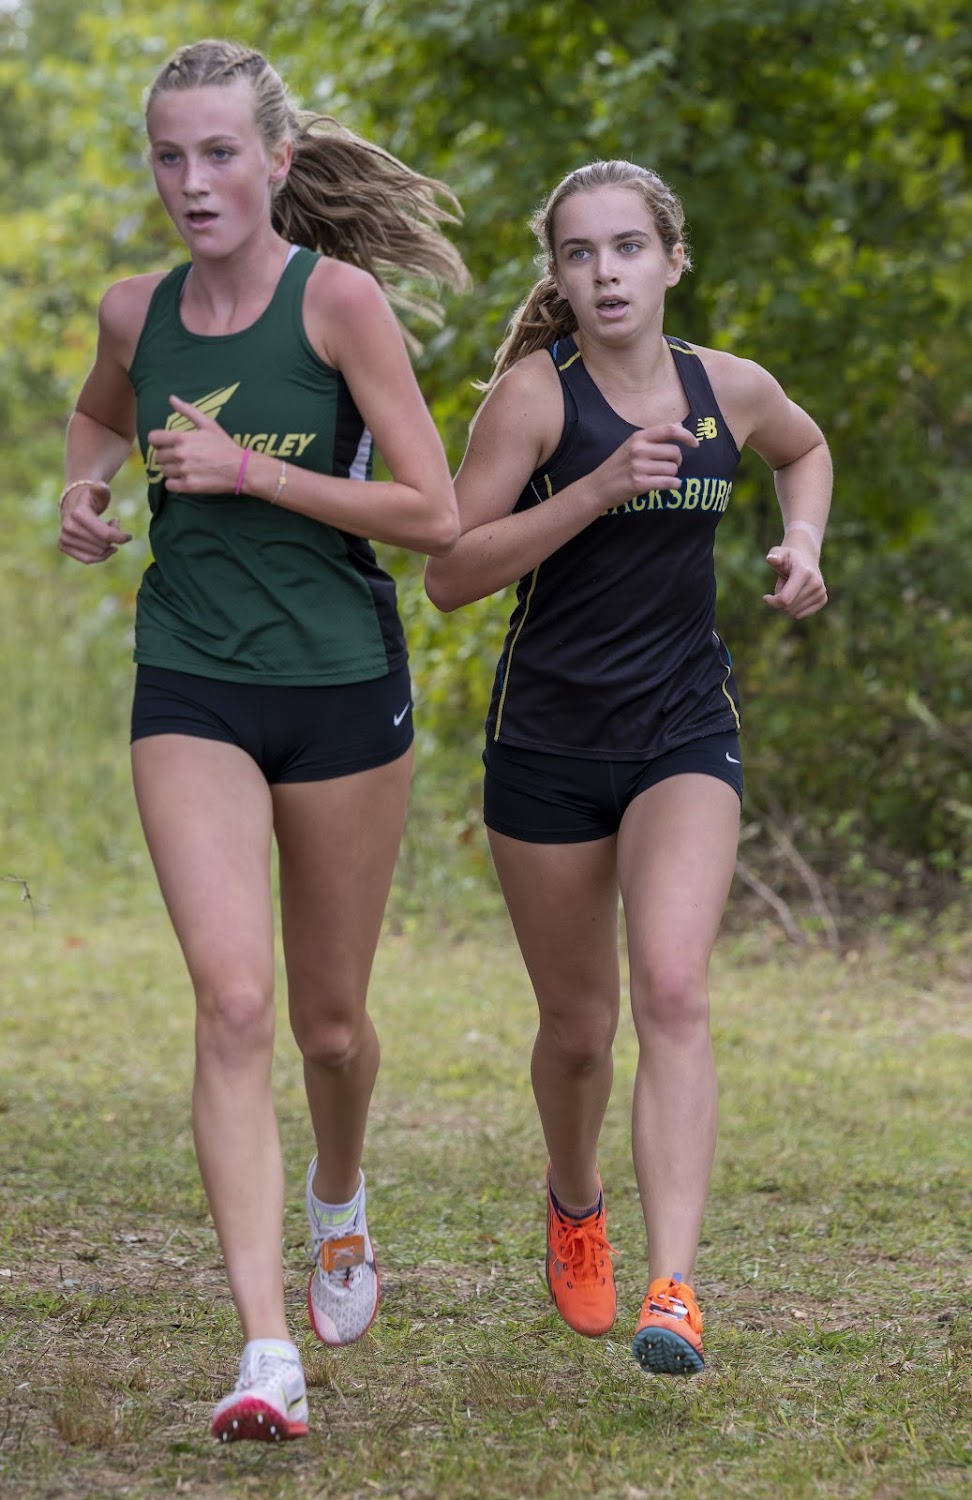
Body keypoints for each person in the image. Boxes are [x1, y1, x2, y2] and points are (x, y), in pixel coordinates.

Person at [57, 39, 467, 1442]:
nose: (193, 181)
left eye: (221, 153)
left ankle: (337, 1199)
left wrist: (247, 472)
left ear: (278, 162)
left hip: (342, 687)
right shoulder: (135, 310)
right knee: (232, 1002)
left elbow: (433, 513)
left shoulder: (337, 303)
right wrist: (84, 489)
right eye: (171, 156)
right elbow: (97, 415)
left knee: (329, 1026)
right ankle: (264, 1350)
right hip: (193, 682)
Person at [425, 159, 830, 1376]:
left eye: (628, 248)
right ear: (559, 274)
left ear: (672, 260)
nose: (606, 273)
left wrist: (802, 540)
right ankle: (574, 1197)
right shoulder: (533, 402)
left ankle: (675, 1288)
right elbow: (450, 574)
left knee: (673, 988)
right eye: (580, 253)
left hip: (681, 729)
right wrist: (595, 490)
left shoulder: (728, 389)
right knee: (579, 1028)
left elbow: (804, 447)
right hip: (547, 744)